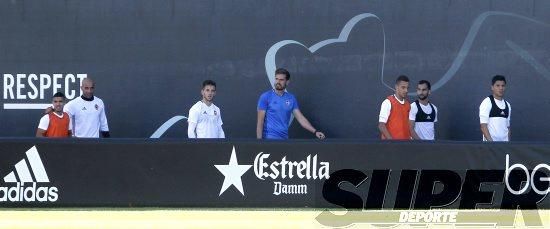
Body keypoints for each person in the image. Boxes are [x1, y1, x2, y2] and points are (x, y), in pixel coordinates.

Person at [256, 68, 325, 140]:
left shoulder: (291, 98)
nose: (278, 82)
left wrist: (315, 131)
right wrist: (260, 143)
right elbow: (260, 122)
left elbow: (300, 118)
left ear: (287, 82)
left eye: (281, 80)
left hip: (285, 139)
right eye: (276, 79)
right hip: (269, 139)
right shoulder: (265, 96)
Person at [479, 75, 511, 141]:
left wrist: (508, 144)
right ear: (492, 87)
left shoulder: (508, 105)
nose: (501, 88)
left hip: (505, 147)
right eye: (498, 85)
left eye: (503, 86)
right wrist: (492, 144)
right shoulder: (487, 102)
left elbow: (508, 127)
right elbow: (483, 126)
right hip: (491, 147)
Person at [379, 75, 411, 140]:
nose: (406, 90)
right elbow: (381, 125)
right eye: (403, 87)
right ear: (396, 87)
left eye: (407, 88)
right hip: (391, 147)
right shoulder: (387, 102)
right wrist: (392, 142)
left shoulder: (408, 105)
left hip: (406, 145)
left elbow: (408, 126)